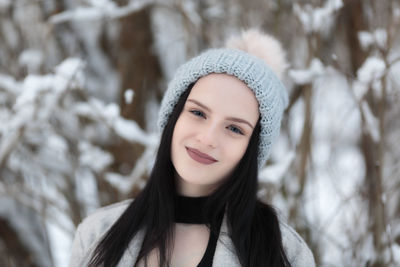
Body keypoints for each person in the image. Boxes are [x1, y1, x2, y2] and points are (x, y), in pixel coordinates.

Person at [70, 29, 315, 267]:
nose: (208, 138)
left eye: (235, 129)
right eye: (198, 112)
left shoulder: (284, 253)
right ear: (174, 116)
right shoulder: (97, 234)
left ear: (252, 150)